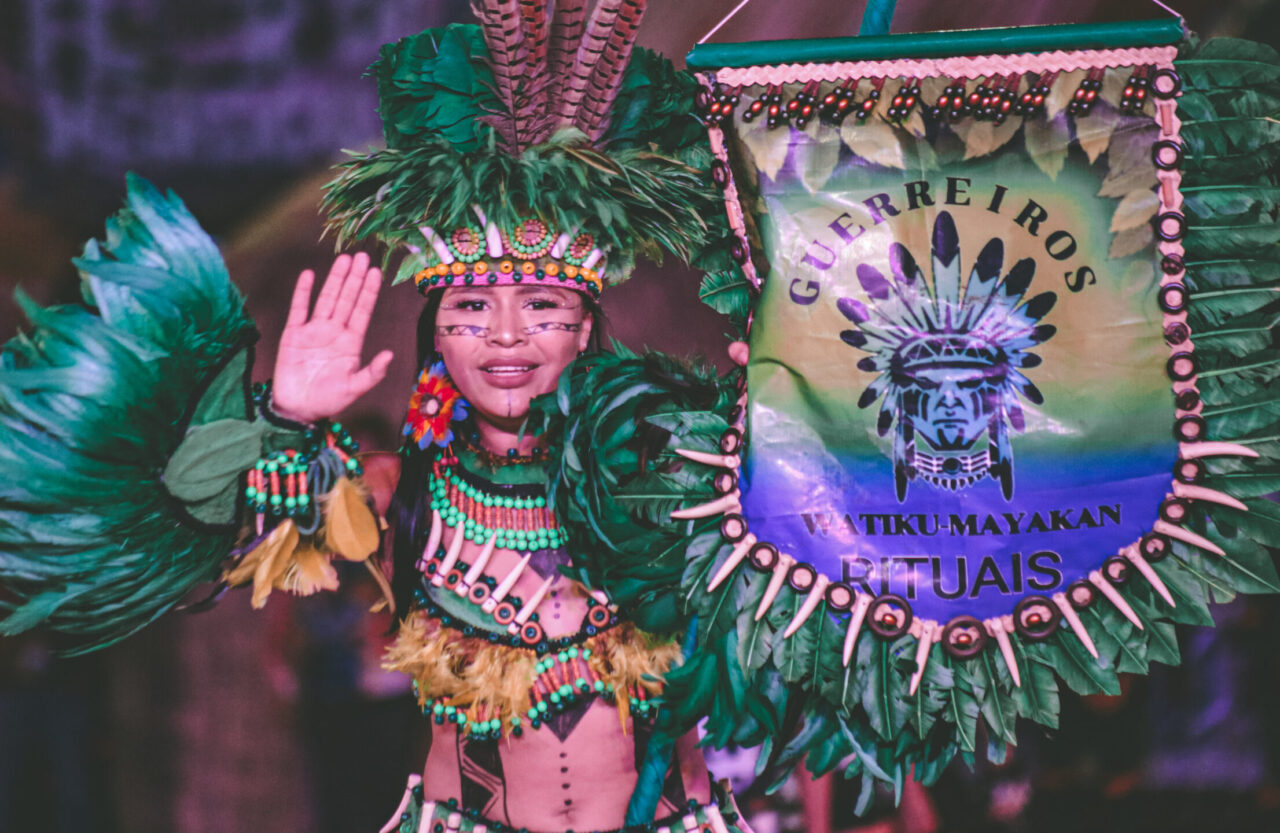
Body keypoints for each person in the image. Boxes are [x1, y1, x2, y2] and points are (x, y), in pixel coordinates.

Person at [267, 252, 731, 832]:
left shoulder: (674, 473)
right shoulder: (400, 490)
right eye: (472, 306)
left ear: (584, 326)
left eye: (538, 303)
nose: (506, 334)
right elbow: (249, 527)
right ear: (438, 334)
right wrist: (289, 422)